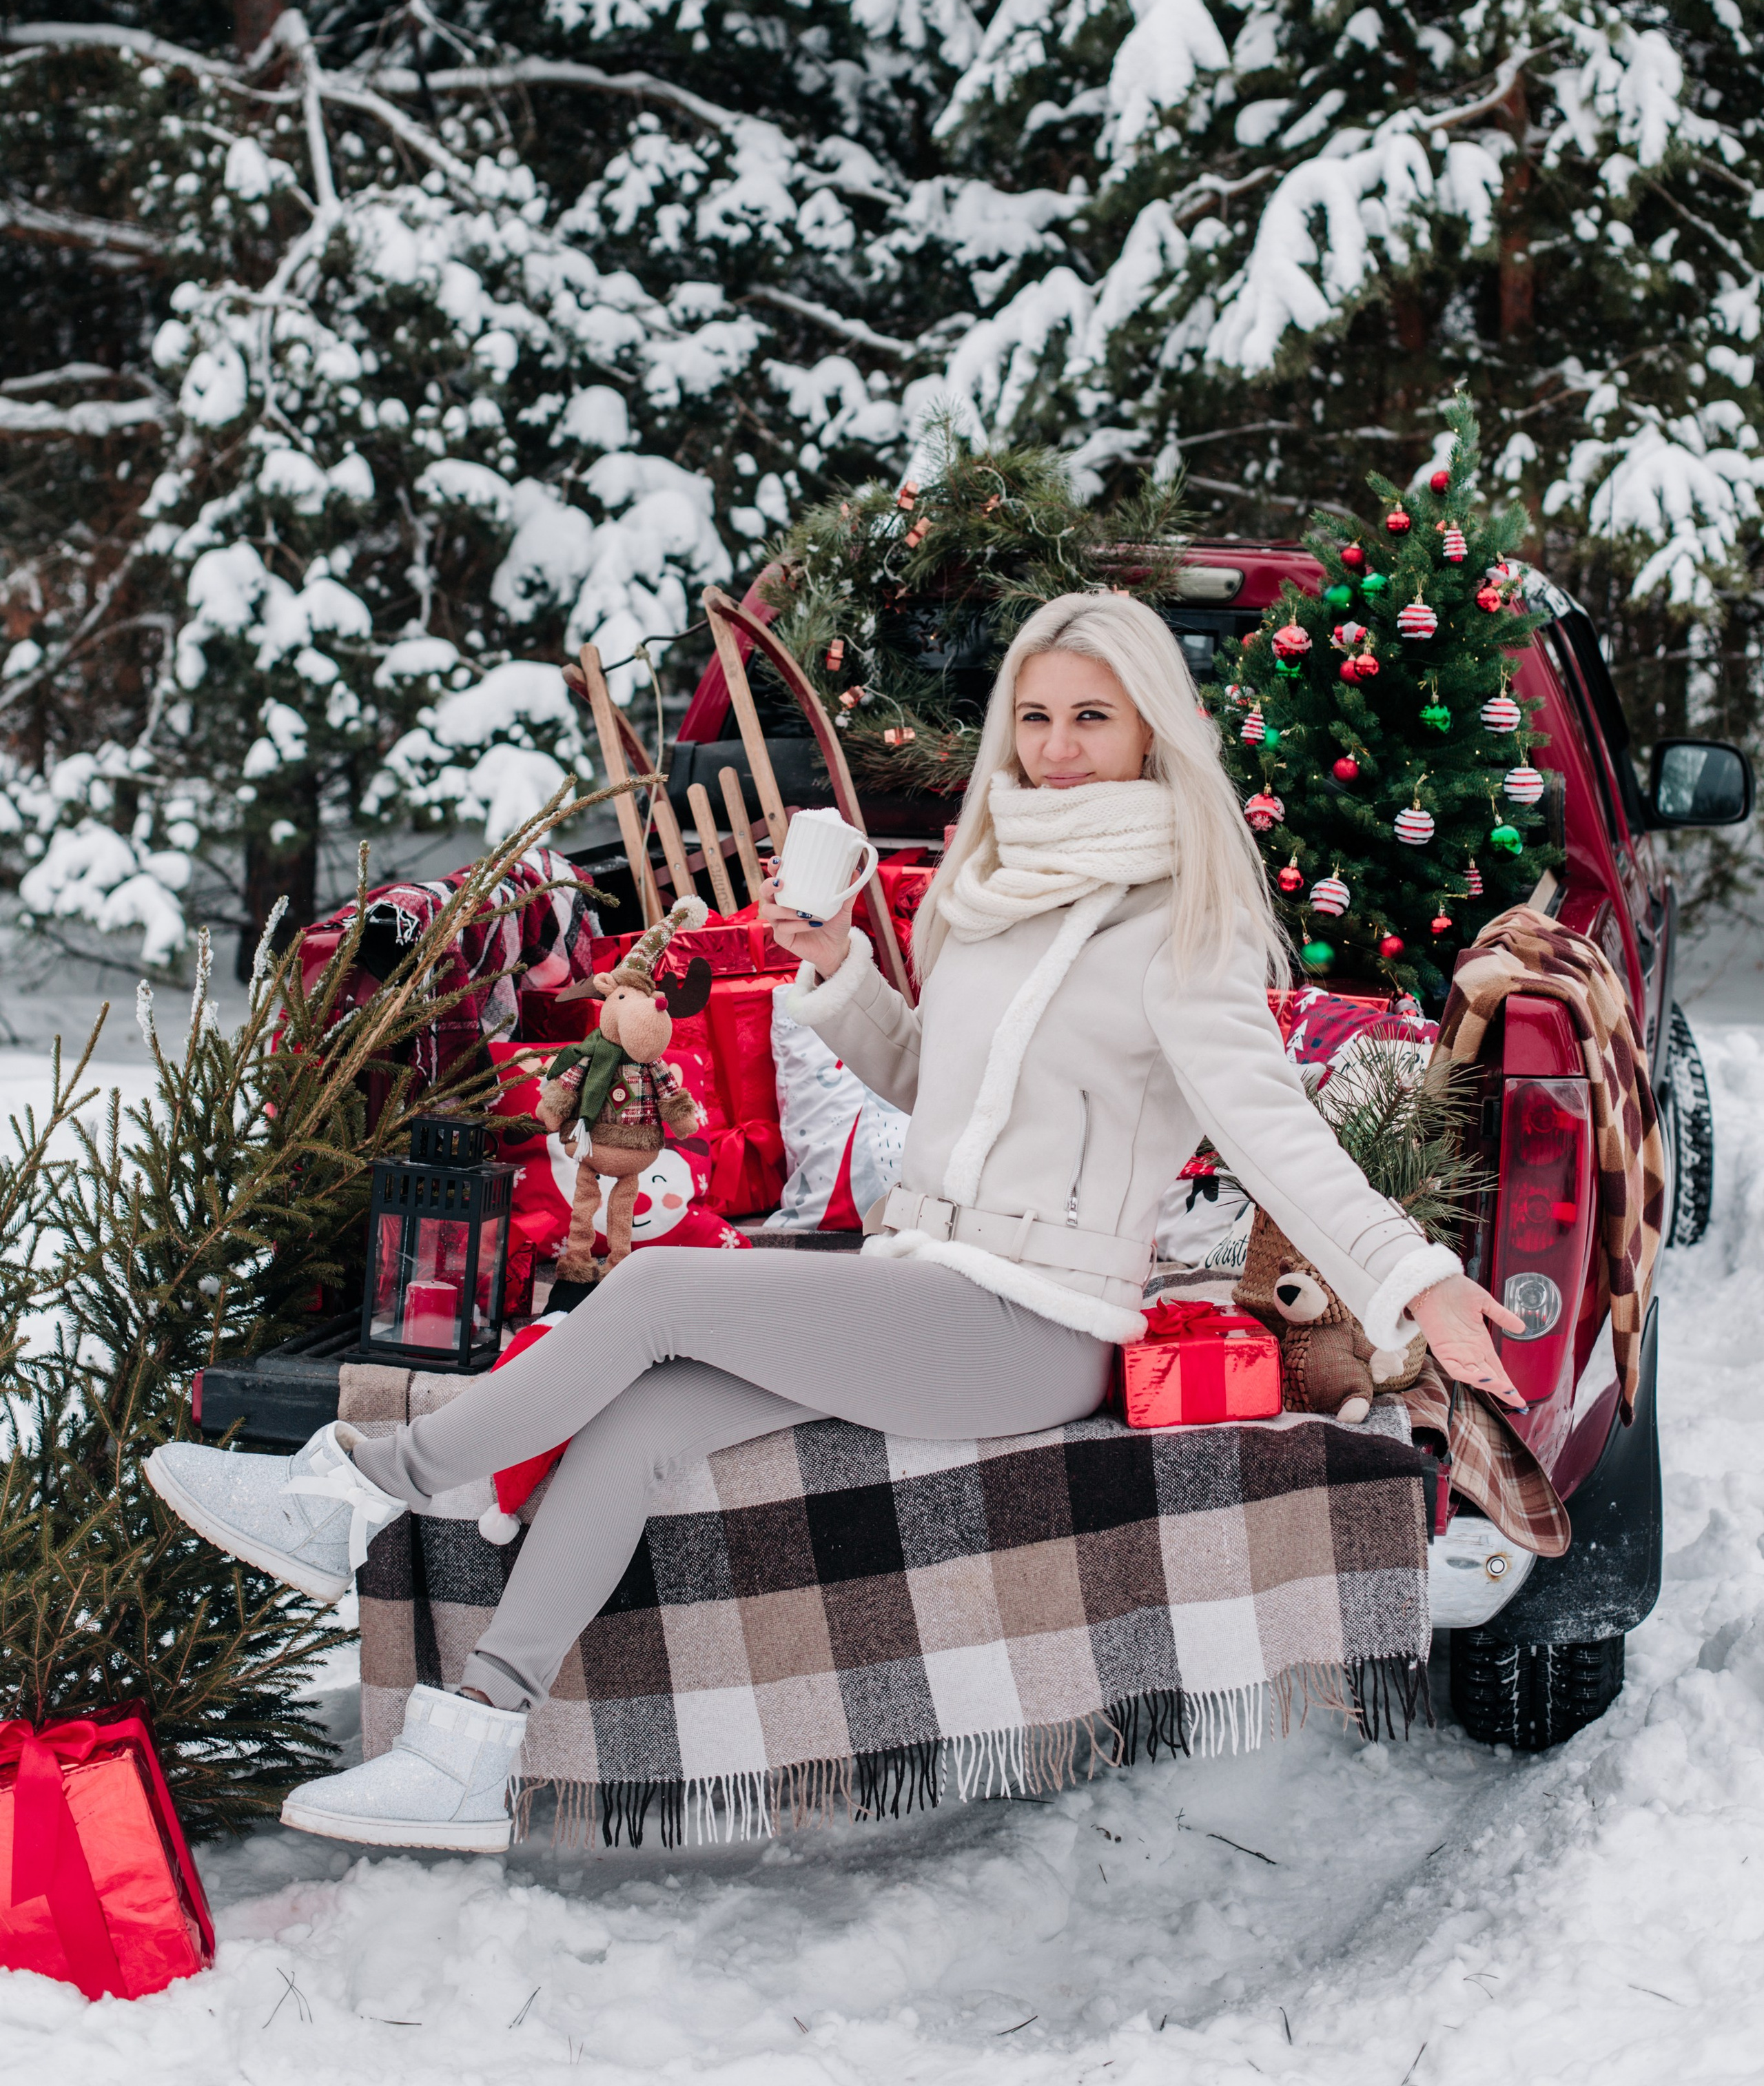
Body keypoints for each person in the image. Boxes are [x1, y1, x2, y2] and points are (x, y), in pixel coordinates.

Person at [146, 591, 1523, 1852]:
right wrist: (838, 973)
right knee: (640, 1424)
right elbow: (932, 1084)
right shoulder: (989, 897)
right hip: (923, 1279)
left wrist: (1415, 1281)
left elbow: (1273, 1129)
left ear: (1149, 731)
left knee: (653, 1297)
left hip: (1029, 1322)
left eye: (1089, 719)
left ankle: (367, 1488)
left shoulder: (1177, 924)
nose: (1054, 749)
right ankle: (472, 1750)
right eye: (1033, 717)